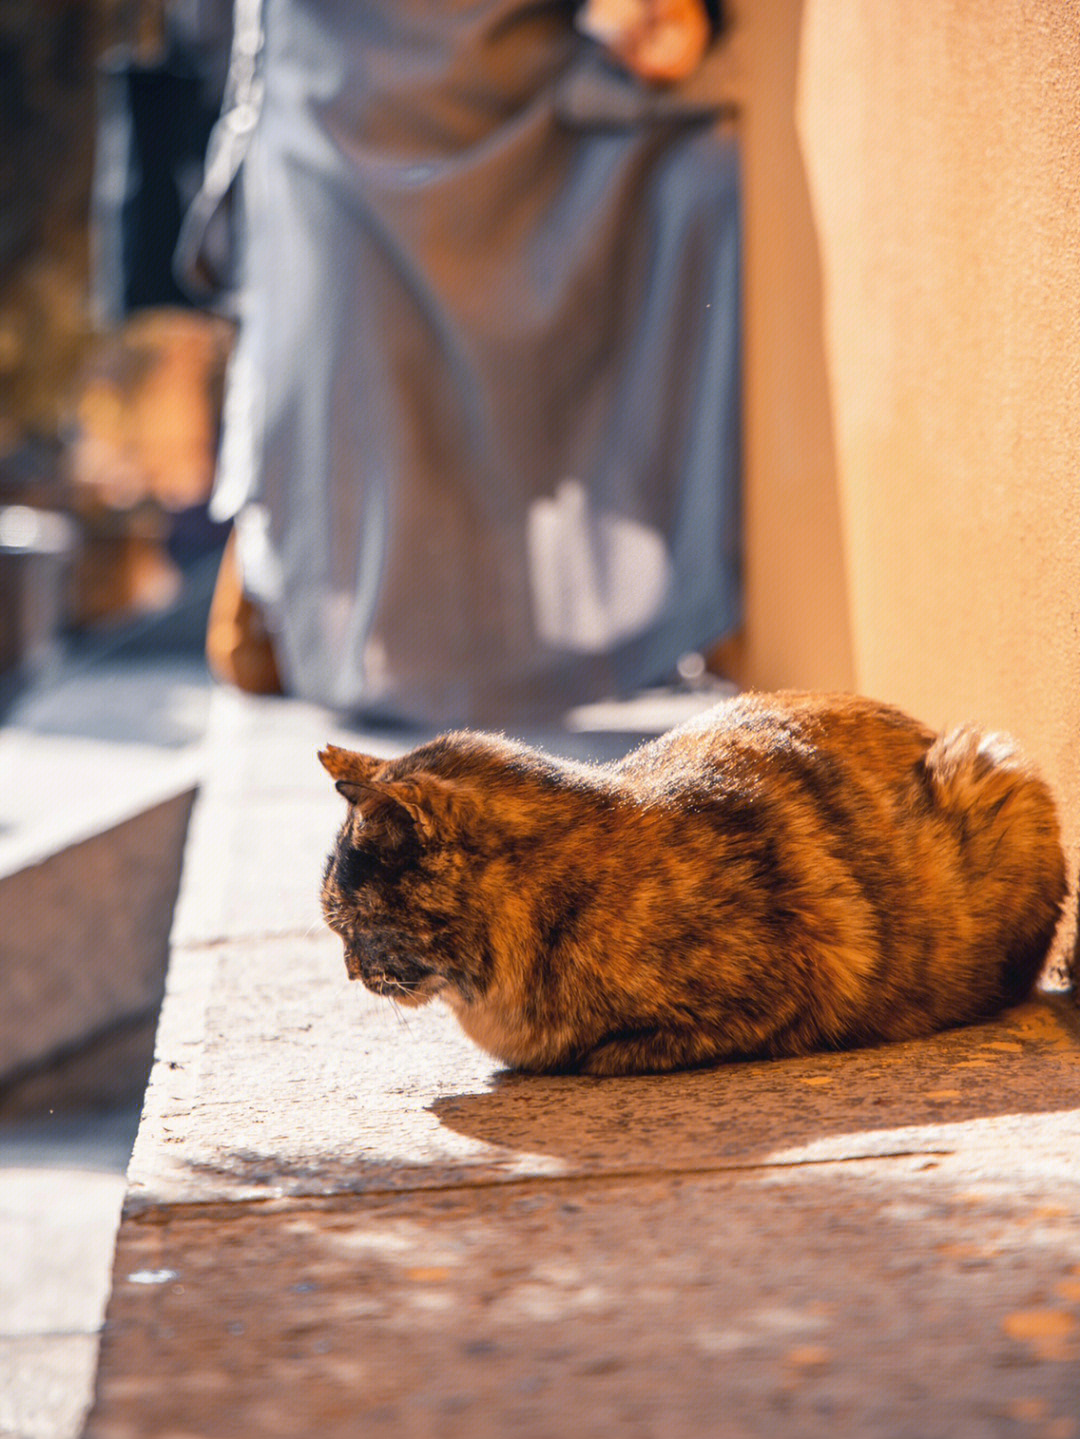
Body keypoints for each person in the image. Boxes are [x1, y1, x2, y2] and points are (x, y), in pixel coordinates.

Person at [201, 0, 741, 726]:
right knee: (361, 388)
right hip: (328, 104)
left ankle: (673, 614)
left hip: (518, 95)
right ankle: (308, 608)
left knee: (704, 186)